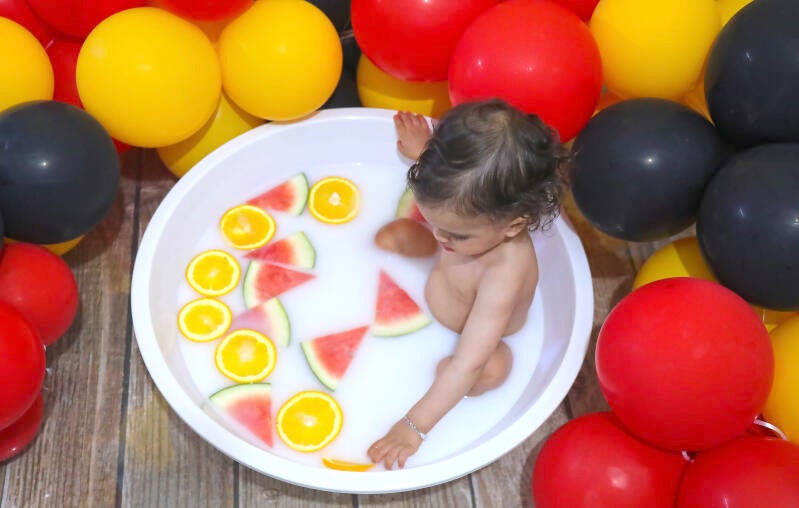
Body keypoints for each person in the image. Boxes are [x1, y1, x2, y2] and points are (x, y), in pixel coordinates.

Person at [367, 99, 569, 469]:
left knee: (488, 370)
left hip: (478, 338)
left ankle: (465, 383)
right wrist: (423, 154)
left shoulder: (503, 275)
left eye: (456, 234)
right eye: (433, 221)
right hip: (445, 278)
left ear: (513, 225)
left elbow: (467, 363)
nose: (440, 236)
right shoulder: (469, 208)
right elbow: (456, 183)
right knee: (389, 236)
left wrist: (414, 426)